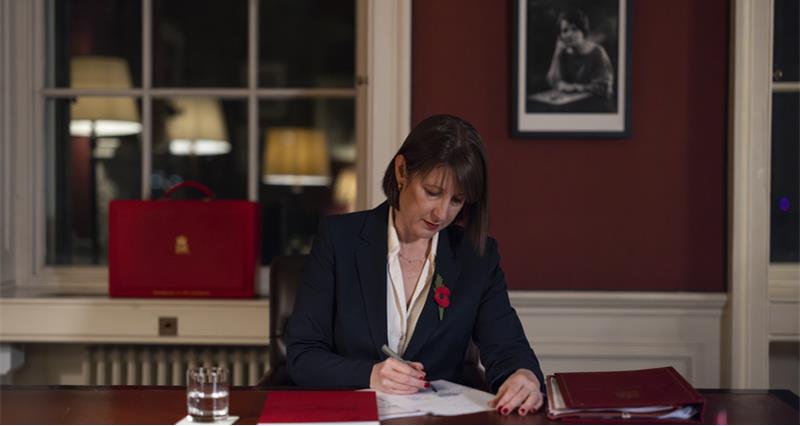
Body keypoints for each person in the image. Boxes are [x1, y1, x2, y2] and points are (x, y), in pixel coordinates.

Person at [286, 114, 545, 416]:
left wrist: (523, 376)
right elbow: (302, 356)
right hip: (354, 418)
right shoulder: (339, 239)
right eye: (433, 192)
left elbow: (508, 347)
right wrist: (369, 374)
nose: (441, 212)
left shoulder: (477, 257)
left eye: (457, 200)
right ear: (401, 171)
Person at [546, 9, 614, 99]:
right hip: (572, 104)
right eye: (565, 30)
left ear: (583, 31)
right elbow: (553, 82)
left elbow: (604, 87)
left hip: (598, 104)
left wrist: (575, 87)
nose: (569, 34)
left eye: (574, 29)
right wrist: (557, 53)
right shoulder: (563, 53)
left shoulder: (597, 52)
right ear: (561, 35)